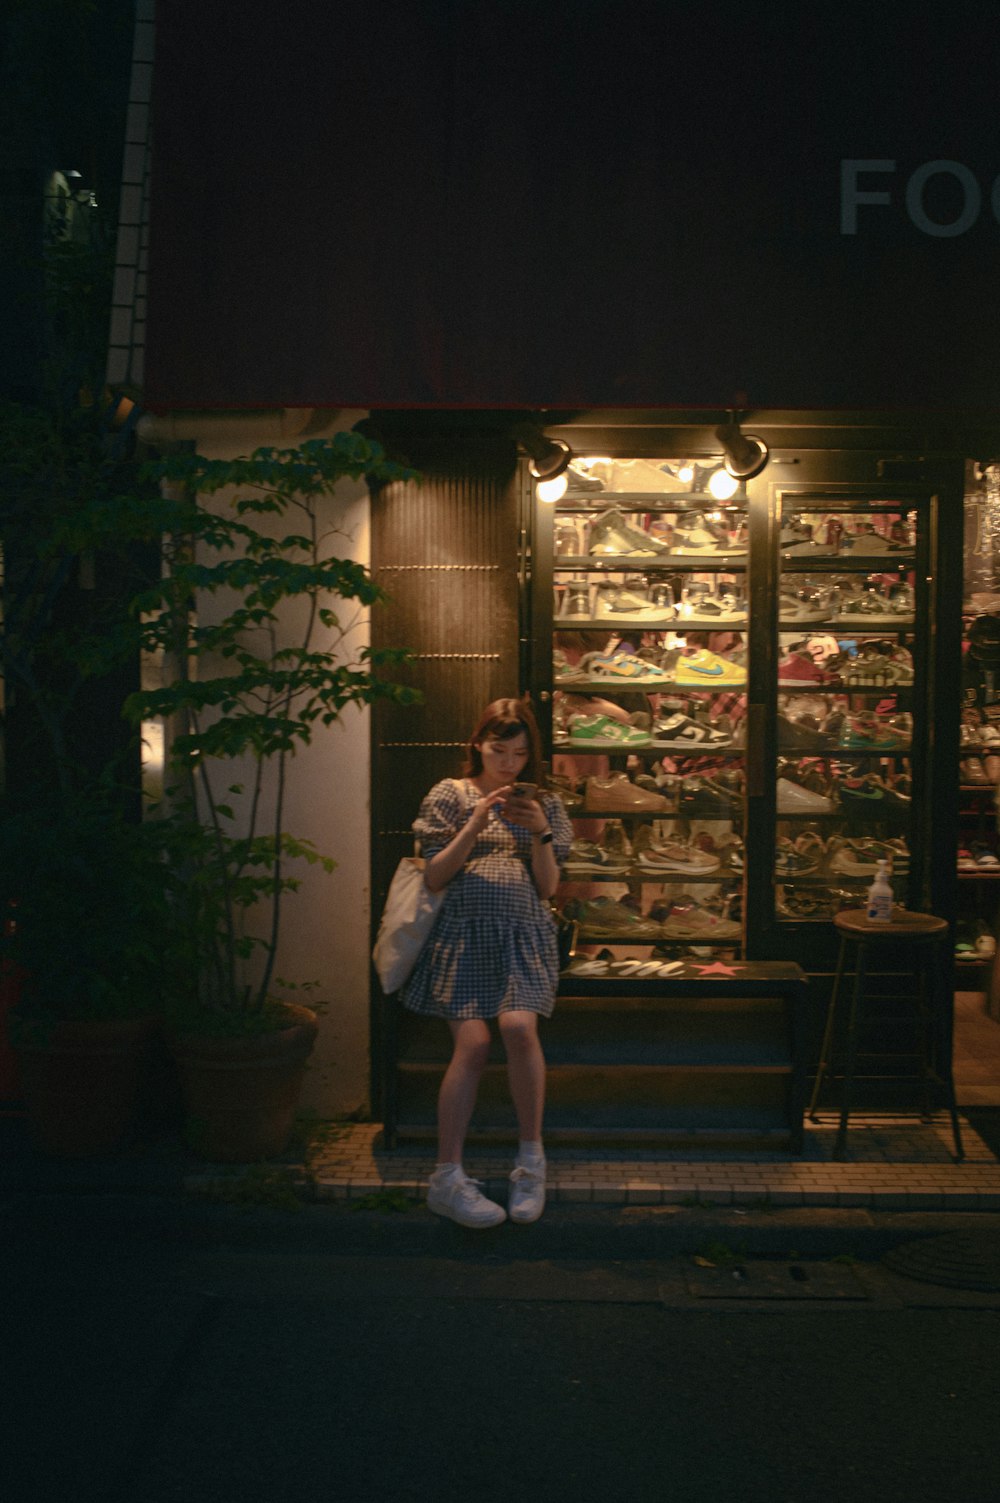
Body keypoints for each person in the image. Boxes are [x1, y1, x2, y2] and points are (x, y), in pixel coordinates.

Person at [400, 697, 573, 1228]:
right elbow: (434, 876)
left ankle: (531, 1161)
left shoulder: (545, 803)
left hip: (523, 935)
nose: (508, 763)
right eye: (499, 750)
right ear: (477, 743)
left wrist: (541, 831)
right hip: (463, 937)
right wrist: (475, 822)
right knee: (472, 1044)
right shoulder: (449, 796)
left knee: (520, 1028)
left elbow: (548, 887)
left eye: (520, 754)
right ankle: (447, 1178)